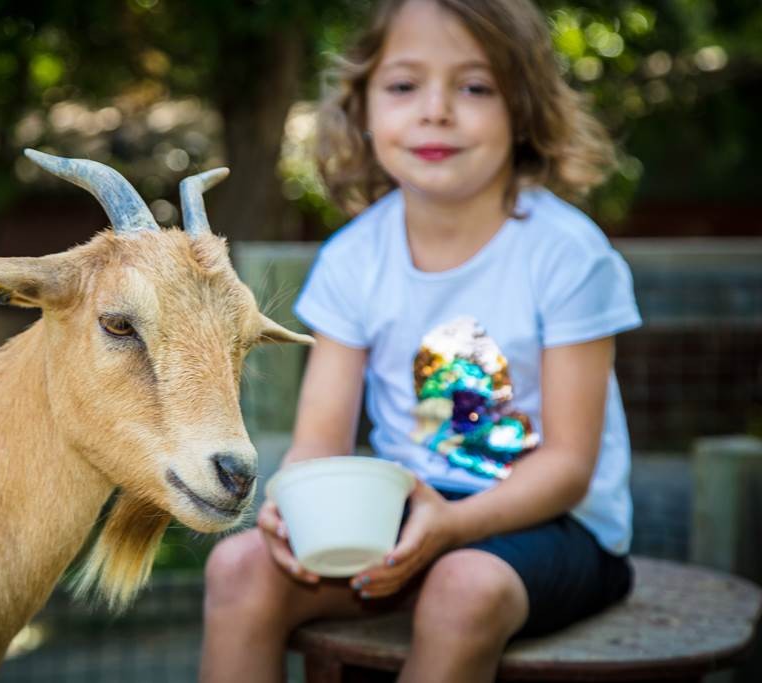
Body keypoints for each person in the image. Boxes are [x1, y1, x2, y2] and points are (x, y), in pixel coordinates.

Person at [200, 0, 642, 681]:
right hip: (407, 513)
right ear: (363, 106)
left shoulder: (569, 256)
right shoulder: (353, 259)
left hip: (557, 526)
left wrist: (455, 526)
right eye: (404, 85)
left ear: (522, 108)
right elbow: (318, 442)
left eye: (474, 86)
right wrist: (291, 504)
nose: (436, 110)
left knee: (460, 587)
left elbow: (569, 466)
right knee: (237, 567)